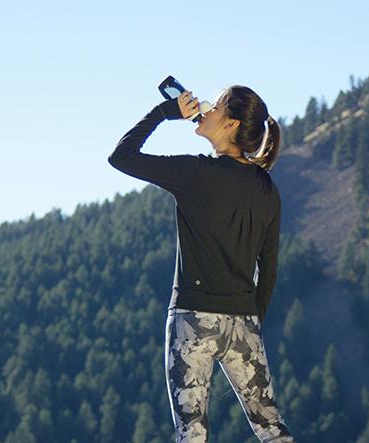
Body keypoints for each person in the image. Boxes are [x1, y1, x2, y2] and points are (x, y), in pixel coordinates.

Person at [108, 85, 295, 442]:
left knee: (192, 432)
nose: (206, 108)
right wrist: (251, 322)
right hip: (243, 322)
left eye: (217, 105)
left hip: (193, 318)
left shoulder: (195, 173)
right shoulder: (268, 190)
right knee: (272, 429)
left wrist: (164, 113)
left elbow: (122, 157)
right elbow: (268, 269)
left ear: (231, 124)